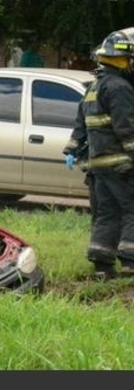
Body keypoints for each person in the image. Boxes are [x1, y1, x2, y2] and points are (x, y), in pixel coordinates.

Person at [62, 30, 134, 280]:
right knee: (131, 209)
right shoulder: (119, 87)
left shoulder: (93, 87)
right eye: (129, 59)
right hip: (119, 162)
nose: (130, 63)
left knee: (107, 212)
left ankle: (102, 266)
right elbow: (126, 128)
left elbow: (80, 124)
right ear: (119, 59)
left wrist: (71, 149)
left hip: (97, 165)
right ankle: (130, 263)